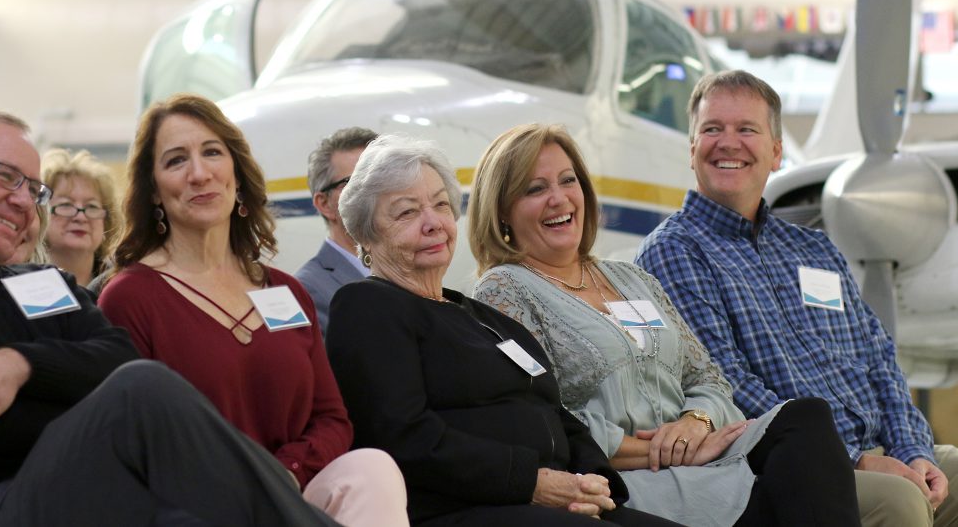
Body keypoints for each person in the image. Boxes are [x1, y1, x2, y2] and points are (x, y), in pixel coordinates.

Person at [0, 110, 341, 527]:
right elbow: (1, 423)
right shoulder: (133, 291)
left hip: (99, 492)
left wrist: (18, 366)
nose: (22, 201)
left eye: (33, 189)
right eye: (3, 176)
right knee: (142, 387)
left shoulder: (40, 284)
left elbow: (115, 355)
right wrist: (66, 385)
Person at [467, 123, 862, 526]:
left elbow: (708, 377)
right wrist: (661, 450)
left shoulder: (632, 278)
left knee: (806, 417)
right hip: (626, 480)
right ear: (502, 211)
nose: (559, 198)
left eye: (568, 181)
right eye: (535, 189)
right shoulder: (505, 290)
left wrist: (696, 422)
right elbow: (538, 418)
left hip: (707, 456)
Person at [634, 70, 958, 526]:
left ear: (777, 152)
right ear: (692, 151)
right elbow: (727, 383)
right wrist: (854, 460)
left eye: (746, 129)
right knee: (899, 503)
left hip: (876, 450)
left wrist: (914, 451)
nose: (728, 142)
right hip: (792, 466)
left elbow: (879, 359)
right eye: (712, 129)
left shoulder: (816, 248)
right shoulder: (674, 250)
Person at [325, 134, 682, 527]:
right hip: (464, 508)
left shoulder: (477, 314)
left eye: (441, 204)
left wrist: (594, 482)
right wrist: (530, 481)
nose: (433, 224)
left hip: (549, 501)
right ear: (365, 236)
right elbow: (403, 436)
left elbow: (556, 413)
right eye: (407, 213)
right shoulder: (368, 307)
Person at [98, 94, 406, 527]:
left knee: (371, 468)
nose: (199, 173)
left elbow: (331, 418)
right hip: (198, 505)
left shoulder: (285, 290)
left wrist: (285, 472)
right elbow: (133, 445)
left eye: (211, 153)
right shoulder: (129, 298)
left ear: (237, 175)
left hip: (291, 491)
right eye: (175, 161)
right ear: (153, 192)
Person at [296, 127, 378, 336]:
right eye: (355, 182)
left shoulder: (410, 272)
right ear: (325, 204)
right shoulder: (304, 292)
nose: (376, 191)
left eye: (380, 178)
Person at [40, 148, 119, 286]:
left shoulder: (121, 285)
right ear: (40, 214)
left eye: (92, 206)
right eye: (66, 204)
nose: (81, 217)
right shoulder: (19, 282)